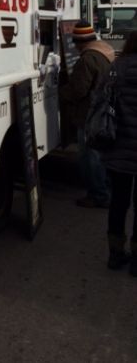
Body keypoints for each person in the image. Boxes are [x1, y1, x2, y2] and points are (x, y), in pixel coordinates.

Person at [60, 20, 115, 208]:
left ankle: (99, 195)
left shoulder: (87, 59)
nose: (74, 47)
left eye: (75, 43)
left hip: (89, 114)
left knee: (89, 157)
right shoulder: (105, 51)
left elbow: (78, 89)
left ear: (81, 42)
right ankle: (105, 188)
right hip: (103, 112)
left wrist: (60, 93)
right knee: (100, 154)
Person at [102, 30, 137, 274]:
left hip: (119, 146)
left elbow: (101, 100)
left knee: (118, 203)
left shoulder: (117, 67)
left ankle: (115, 254)